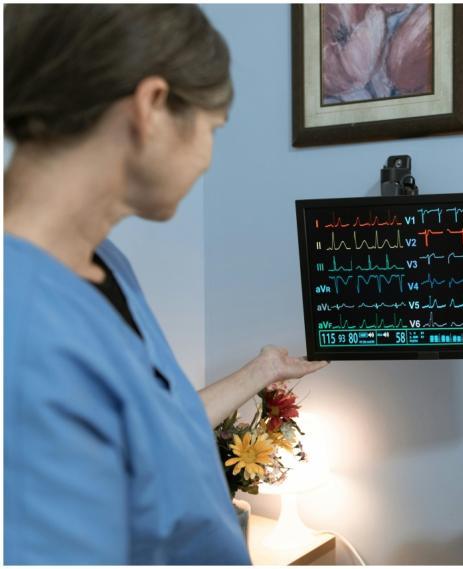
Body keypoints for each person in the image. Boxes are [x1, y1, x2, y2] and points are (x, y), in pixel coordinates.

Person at [3, 5, 327, 564]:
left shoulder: (104, 265)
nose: (206, 158)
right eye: (211, 129)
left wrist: (263, 372)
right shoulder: (22, 334)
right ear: (152, 106)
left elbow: (151, 429)